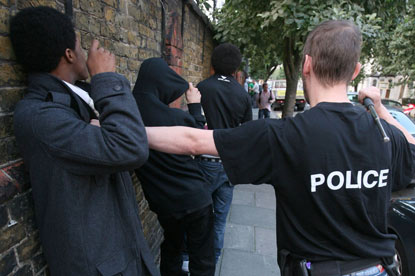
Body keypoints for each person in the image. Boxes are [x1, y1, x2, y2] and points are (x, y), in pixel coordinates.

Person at [144, 20, 415, 276]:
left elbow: (194, 140)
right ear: (355, 71)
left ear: (306, 65)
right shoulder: (384, 133)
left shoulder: (285, 136)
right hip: (379, 269)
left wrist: (126, 132)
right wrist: (380, 109)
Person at [10, 6, 159, 276]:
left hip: (123, 254)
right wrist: (106, 77)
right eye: (79, 46)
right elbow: (130, 148)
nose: (84, 54)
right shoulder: (41, 116)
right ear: (68, 54)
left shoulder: (77, 99)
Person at [132, 58, 215, 276]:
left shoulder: (126, 114)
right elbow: (198, 140)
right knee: (202, 258)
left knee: (172, 248)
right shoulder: (175, 117)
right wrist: (195, 106)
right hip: (195, 199)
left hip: (163, 204)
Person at [195, 43, 252, 263]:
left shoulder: (201, 88)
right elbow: (247, 133)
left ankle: (191, 259)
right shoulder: (242, 95)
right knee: (219, 219)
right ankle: (214, 260)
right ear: (236, 69)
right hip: (229, 164)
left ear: (213, 64)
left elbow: (192, 122)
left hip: (203, 161)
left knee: (198, 215)